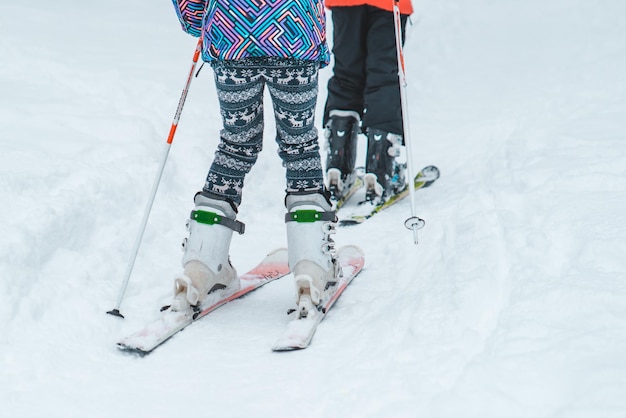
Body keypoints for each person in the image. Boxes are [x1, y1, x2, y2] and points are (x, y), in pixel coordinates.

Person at [169, 0, 341, 314]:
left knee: (236, 144)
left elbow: (191, 8)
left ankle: (202, 265)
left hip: (231, 35)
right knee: (300, 145)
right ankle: (312, 267)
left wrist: (200, 21)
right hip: (294, 35)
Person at [322, 0, 412, 204]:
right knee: (384, 77)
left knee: (346, 74)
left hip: (344, 3)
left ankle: (338, 168)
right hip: (389, 4)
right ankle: (380, 172)